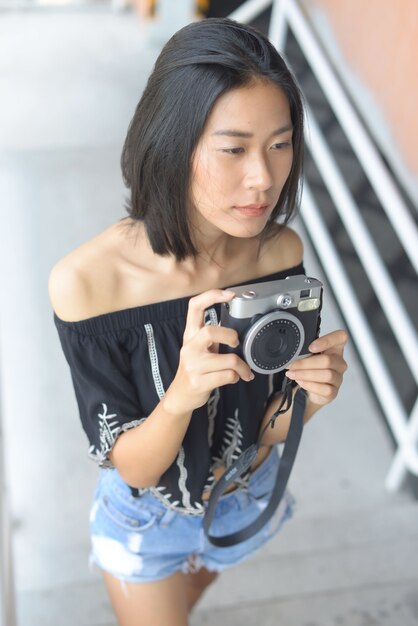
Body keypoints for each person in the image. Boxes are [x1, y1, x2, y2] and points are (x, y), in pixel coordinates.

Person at [48, 18, 348, 626]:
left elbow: (264, 432)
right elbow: (132, 466)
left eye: (280, 143)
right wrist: (183, 391)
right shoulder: (89, 282)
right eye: (233, 148)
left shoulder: (278, 254)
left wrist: (311, 397)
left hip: (245, 496)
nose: (262, 178)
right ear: (173, 143)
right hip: (149, 514)